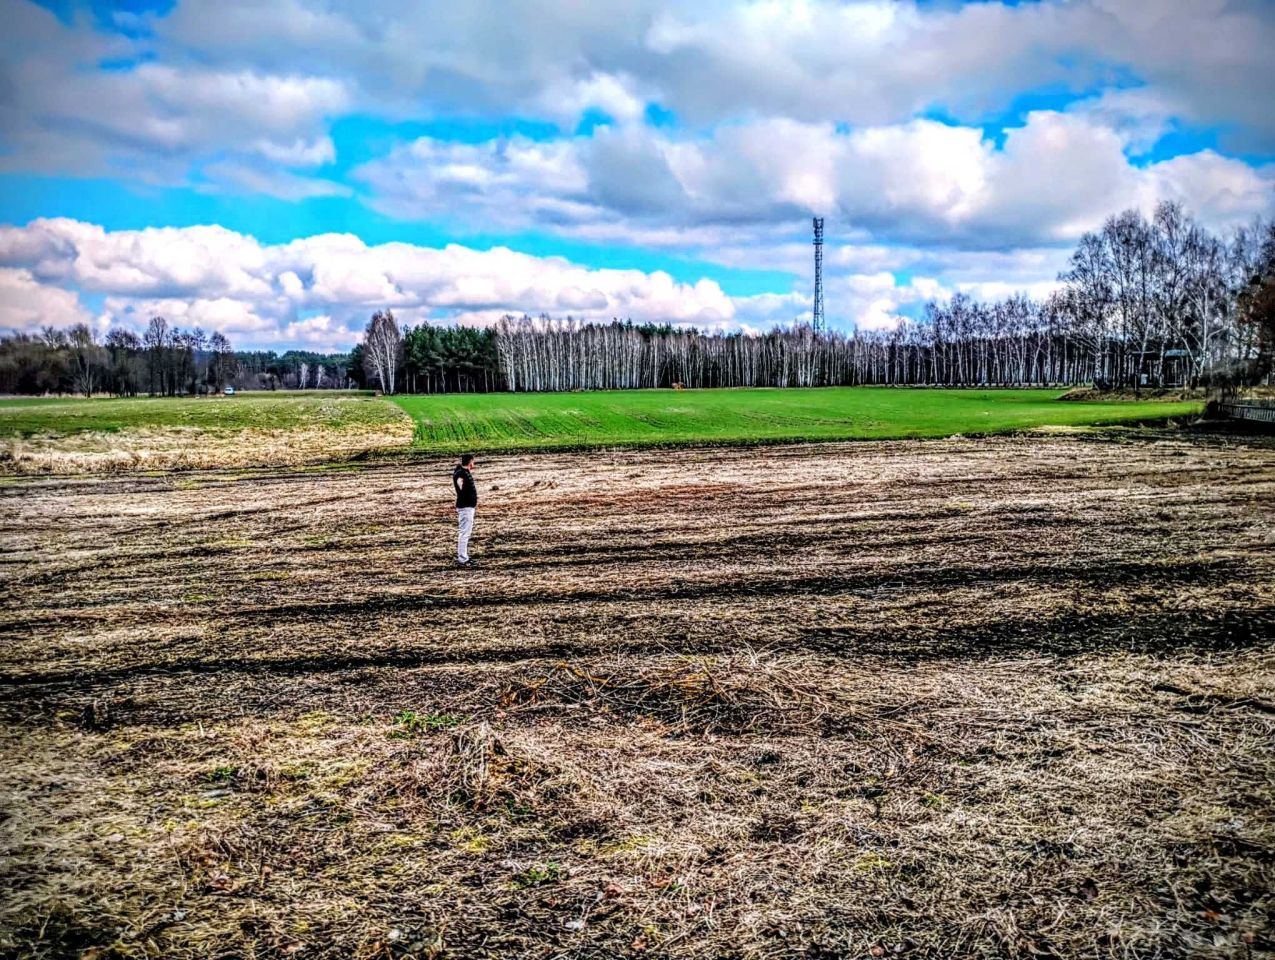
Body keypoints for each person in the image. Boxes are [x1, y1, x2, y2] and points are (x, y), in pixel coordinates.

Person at [452, 453, 478, 566]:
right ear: (470, 462)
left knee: (465, 532)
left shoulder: (463, 473)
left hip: (467, 506)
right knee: (464, 533)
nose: (474, 464)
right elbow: (461, 488)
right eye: (473, 461)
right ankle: (462, 558)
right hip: (465, 507)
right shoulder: (461, 474)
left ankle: (463, 556)